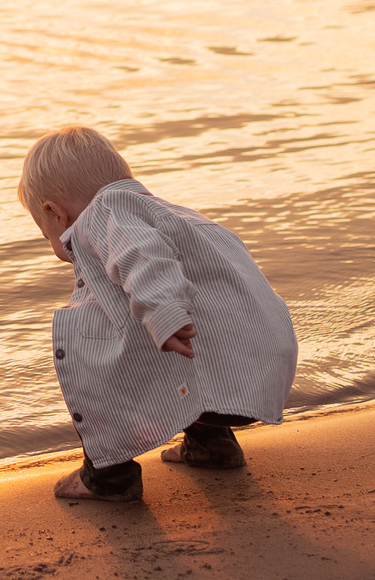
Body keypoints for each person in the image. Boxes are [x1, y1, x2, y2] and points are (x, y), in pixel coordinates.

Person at [19, 125, 297, 502]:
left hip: (212, 370)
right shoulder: (178, 214)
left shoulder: (103, 212)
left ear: (55, 213)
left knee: (86, 342)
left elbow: (143, 258)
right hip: (253, 375)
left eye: (45, 234)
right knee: (141, 326)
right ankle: (211, 444)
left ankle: (109, 476)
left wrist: (165, 312)